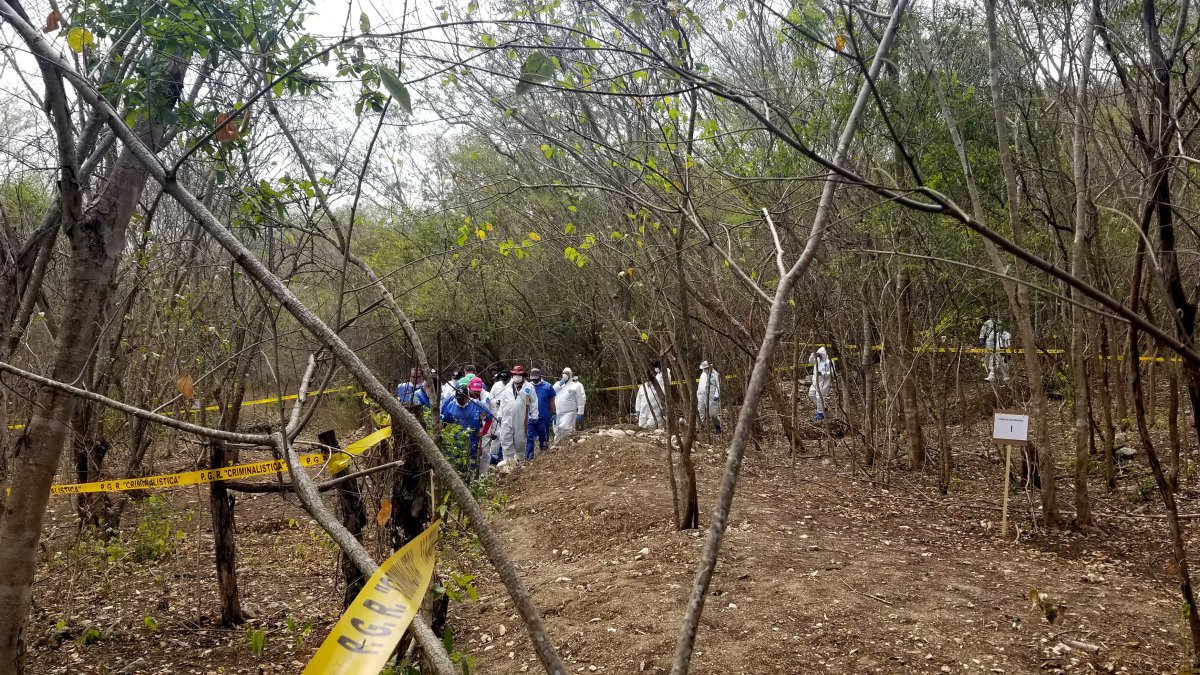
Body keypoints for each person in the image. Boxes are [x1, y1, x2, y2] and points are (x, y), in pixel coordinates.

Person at [440, 384, 493, 476]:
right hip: (456, 443)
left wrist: (483, 432)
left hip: (473, 441)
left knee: (472, 465)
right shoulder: (450, 406)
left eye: (463, 399)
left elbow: (489, 418)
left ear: (468, 396)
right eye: (458, 399)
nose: (460, 401)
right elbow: (442, 423)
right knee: (457, 466)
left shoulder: (477, 405)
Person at [496, 365, 537, 468]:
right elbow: (503, 402)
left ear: (523, 376)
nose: (517, 377)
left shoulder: (529, 387)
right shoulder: (507, 387)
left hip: (521, 419)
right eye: (515, 375)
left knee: (520, 443)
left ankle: (520, 463)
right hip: (506, 418)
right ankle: (508, 465)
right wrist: (500, 415)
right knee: (506, 440)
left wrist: (534, 415)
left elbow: (534, 402)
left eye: (519, 375)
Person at [525, 368, 556, 459]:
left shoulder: (548, 386)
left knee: (543, 438)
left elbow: (552, 401)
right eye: (532, 378)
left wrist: (554, 413)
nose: (534, 380)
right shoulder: (528, 387)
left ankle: (544, 455)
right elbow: (525, 402)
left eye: (536, 378)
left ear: (540, 376)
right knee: (530, 438)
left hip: (543, 416)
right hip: (531, 417)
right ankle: (529, 457)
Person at [553, 367, 587, 441]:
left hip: (569, 413)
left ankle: (568, 449)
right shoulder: (558, 384)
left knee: (567, 431)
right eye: (564, 373)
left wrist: (580, 412)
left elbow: (580, 399)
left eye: (567, 373)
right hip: (558, 413)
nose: (565, 375)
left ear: (571, 375)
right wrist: (560, 383)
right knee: (557, 432)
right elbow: (551, 392)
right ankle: (557, 450)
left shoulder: (576, 385)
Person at [808, 347, 834, 421]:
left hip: (824, 382)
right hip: (815, 381)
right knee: (811, 395)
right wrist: (812, 356)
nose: (819, 356)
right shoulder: (817, 360)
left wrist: (823, 373)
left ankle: (820, 413)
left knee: (819, 397)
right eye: (818, 354)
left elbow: (832, 372)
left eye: (820, 354)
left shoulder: (829, 362)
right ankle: (823, 407)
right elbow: (810, 362)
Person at [696, 361, 722, 432]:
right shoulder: (703, 374)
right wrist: (698, 394)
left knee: (713, 413)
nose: (704, 370)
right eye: (703, 369)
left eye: (705, 368)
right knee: (701, 410)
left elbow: (718, 385)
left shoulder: (715, 374)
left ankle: (718, 427)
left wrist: (717, 395)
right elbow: (700, 384)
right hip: (701, 395)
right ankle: (702, 427)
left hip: (711, 396)